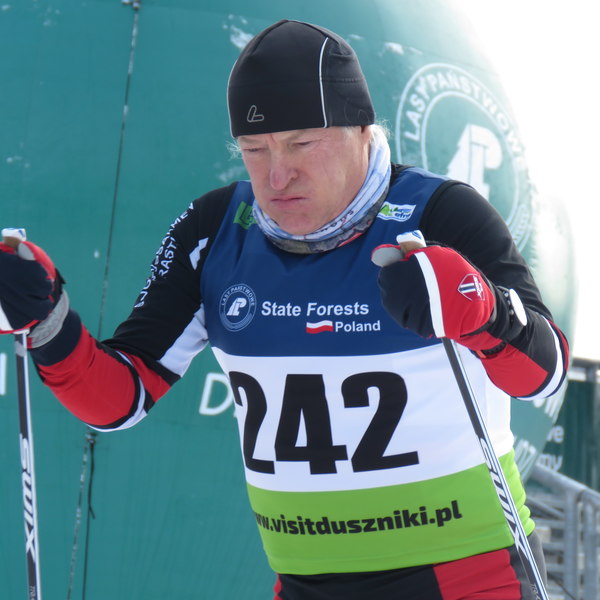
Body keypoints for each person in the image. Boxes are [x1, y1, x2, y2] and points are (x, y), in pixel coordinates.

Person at [0, 19, 569, 600]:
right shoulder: (214, 230)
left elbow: (545, 375)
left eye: (301, 144)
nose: (277, 175)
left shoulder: (440, 213)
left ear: (362, 131)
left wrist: (481, 309)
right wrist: (47, 322)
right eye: (254, 150)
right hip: (304, 583)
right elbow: (118, 398)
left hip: (467, 579)